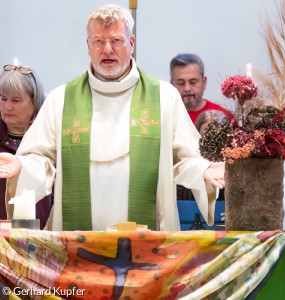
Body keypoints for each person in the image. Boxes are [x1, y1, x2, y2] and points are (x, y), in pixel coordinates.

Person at [0, 4, 224, 232]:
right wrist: (22, 164)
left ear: (132, 44)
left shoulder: (164, 98)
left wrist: (204, 170)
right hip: (75, 242)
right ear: (88, 46)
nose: (107, 49)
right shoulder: (62, 100)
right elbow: (40, 159)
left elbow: (185, 158)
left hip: (149, 243)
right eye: (99, 41)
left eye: (116, 40)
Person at [0, 64, 53, 228]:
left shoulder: (50, 139)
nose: (7, 106)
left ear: (34, 101)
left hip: (44, 237)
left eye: (16, 100)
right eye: (3, 98)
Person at [170, 53, 232, 123]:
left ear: (204, 82)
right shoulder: (162, 116)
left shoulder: (223, 116)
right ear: (172, 84)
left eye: (193, 82)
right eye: (181, 83)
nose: (187, 88)